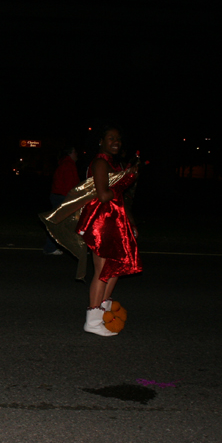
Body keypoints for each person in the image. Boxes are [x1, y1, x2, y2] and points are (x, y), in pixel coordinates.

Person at [76, 124, 141, 336]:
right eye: (111, 138)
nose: (116, 142)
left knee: (115, 269)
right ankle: (92, 321)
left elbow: (119, 199)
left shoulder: (114, 164)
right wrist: (125, 180)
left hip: (115, 221)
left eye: (118, 139)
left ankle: (102, 313)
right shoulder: (100, 162)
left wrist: (130, 222)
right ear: (101, 142)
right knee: (103, 272)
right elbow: (104, 195)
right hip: (101, 222)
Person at [43, 146, 79, 254]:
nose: (77, 154)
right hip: (63, 196)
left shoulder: (65, 164)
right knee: (60, 224)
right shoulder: (68, 165)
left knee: (62, 223)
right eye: (75, 151)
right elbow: (70, 185)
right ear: (70, 152)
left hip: (60, 195)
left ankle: (52, 247)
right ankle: (50, 247)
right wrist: (74, 199)